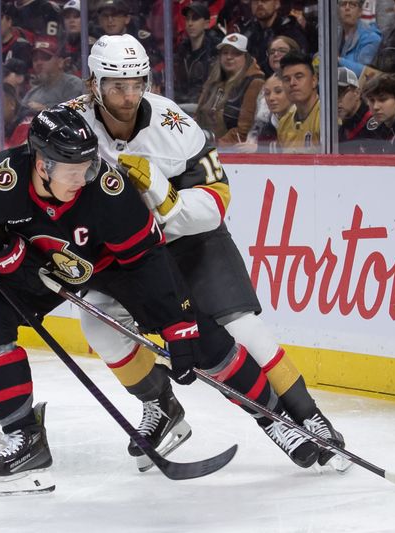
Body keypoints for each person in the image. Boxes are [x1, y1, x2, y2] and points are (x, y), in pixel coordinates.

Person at [61, 34, 347, 471]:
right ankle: (163, 408)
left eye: (137, 84)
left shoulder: (174, 127)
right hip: (121, 250)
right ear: (92, 84)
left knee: (241, 328)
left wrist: (166, 200)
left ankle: (310, 417)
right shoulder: (68, 123)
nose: (128, 96)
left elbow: (216, 202)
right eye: (117, 86)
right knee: (99, 324)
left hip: (188, 239)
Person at [0, 106, 207, 493]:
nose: (83, 178)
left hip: (107, 262)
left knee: (186, 333)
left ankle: (193, 405)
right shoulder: (1, 181)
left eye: (87, 167)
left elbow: (150, 259)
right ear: (41, 164)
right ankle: (25, 439)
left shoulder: (103, 187)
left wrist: (178, 324)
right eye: (72, 170)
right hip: (41, 264)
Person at [195, 33, 266, 149]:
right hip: (204, 147)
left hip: (232, 153)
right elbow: (198, 117)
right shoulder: (213, 81)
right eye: (225, 52)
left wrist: (214, 146)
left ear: (246, 57)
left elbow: (243, 131)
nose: (229, 57)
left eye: (236, 53)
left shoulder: (255, 82)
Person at [174, 2, 225, 109]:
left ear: (206, 23)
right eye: (187, 19)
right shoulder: (182, 49)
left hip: (206, 106)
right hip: (182, 104)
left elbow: (217, 84)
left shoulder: (216, 49)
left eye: (195, 19)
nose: (190, 23)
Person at [239, 0, 309, 76]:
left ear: (277, 4)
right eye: (255, 1)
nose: (259, 4)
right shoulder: (248, 33)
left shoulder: (290, 30)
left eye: (264, 0)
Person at [22, 37, 85, 114]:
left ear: (60, 62)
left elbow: (76, 116)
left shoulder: (72, 85)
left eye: (45, 58)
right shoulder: (31, 93)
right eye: (35, 59)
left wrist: (46, 111)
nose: (39, 63)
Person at [277, 51, 321, 153]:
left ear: (314, 81)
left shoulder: (326, 119)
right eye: (287, 79)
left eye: (299, 77)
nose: (292, 83)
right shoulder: (284, 123)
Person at [338, 0, 382, 77]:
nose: (347, 8)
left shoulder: (372, 38)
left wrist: (337, 61)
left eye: (352, 4)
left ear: (360, 12)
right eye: (343, 4)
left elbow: (365, 73)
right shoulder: (334, 34)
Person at [336, 66, 374, 153]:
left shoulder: (375, 125)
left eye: (340, 93)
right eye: (332, 95)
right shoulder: (340, 129)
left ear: (357, 93)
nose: (336, 100)